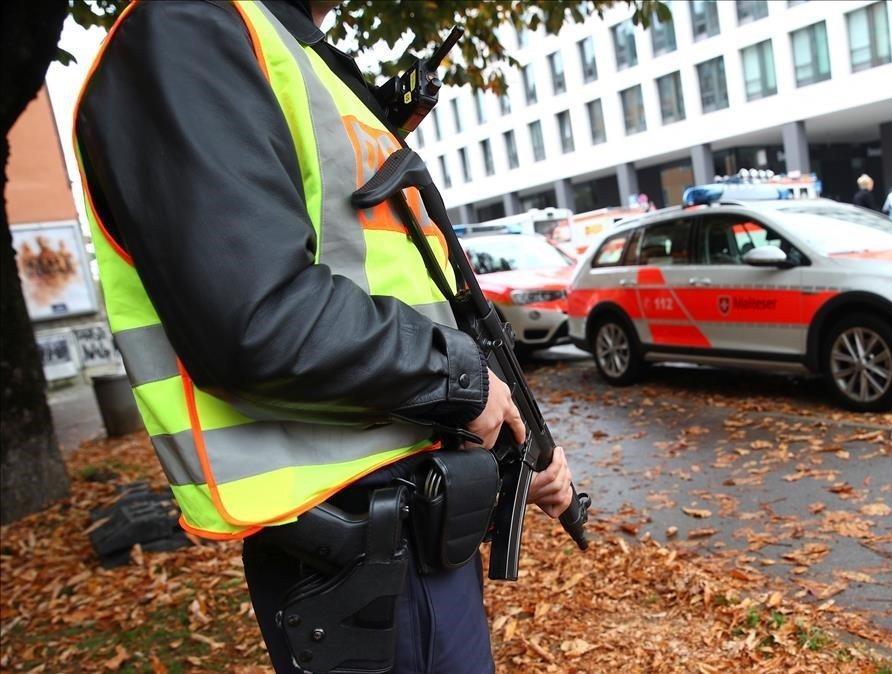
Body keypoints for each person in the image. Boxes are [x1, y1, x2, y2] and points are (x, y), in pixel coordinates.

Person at [73, 1, 576, 672]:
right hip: (360, 548)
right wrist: (460, 379)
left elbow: (407, 289)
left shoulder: (290, 49)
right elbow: (257, 320)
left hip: (410, 526)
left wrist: (515, 440)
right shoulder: (188, 28)